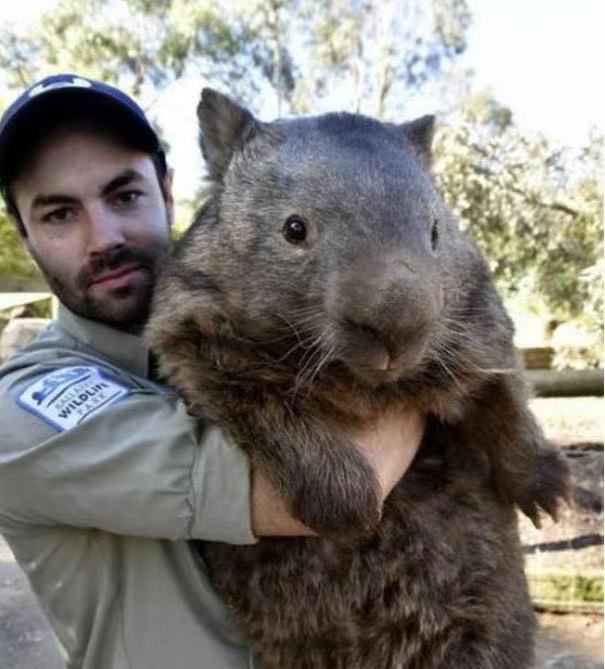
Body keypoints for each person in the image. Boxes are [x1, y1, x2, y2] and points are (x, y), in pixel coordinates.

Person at [0, 74, 424, 668]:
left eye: (124, 196)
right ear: (25, 236)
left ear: (168, 193)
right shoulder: (21, 413)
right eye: (60, 215)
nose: (105, 238)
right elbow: (341, 486)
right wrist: (416, 353)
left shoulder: (255, 323)